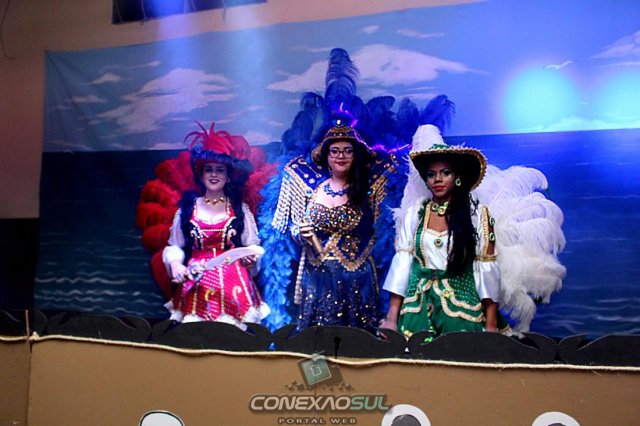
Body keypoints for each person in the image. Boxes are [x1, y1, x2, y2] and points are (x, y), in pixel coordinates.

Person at [380, 124, 509, 340]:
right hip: (417, 311)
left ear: (457, 177)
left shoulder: (476, 215)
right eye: (431, 175)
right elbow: (403, 266)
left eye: (445, 173)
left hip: (462, 312)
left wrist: (491, 325)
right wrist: (392, 319)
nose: (437, 180)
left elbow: (486, 271)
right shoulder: (416, 213)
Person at [162, 124, 269, 328]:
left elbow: (252, 245)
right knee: (194, 334)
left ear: (228, 177)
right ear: (201, 175)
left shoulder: (239, 209)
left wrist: (250, 258)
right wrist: (175, 264)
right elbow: (175, 245)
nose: (213, 174)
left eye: (220, 170)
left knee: (235, 335)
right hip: (196, 279)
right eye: (208, 169)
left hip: (233, 281)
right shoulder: (187, 209)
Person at [292, 123, 381, 332]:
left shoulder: (370, 190)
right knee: (316, 341)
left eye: (348, 151)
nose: (341, 156)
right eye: (334, 151)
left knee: (356, 339)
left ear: (355, 156)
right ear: (326, 156)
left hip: (355, 278)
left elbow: (381, 233)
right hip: (317, 278)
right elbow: (295, 227)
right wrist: (299, 233)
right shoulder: (313, 189)